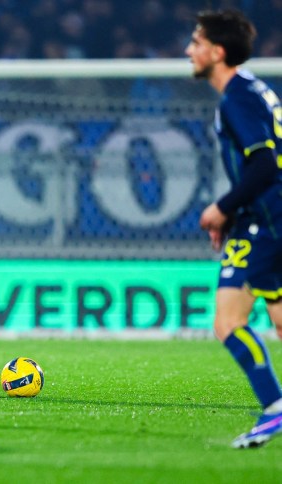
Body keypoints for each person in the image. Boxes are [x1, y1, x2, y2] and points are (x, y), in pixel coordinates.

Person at [188, 9, 282, 449]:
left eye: (197, 43)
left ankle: (274, 408)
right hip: (269, 214)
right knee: (279, 317)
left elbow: (264, 164)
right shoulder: (254, 90)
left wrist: (222, 207)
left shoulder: (237, 98)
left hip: (267, 219)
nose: (189, 50)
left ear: (217, 52)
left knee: (228, 321)